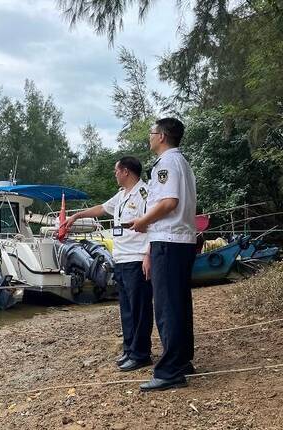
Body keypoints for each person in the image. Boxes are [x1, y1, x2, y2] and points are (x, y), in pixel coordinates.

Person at [66, 156, 152, 372]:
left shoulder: (145, 194)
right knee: (126, 308)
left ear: (126, 171)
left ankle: (142, 353)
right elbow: (101, 209)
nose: (115, 174)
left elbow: (156, 225)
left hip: (137, 258)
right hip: (121, 258)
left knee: (139, 308)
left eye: (116, 170)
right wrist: (76, 216)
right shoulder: (122, 195)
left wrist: (148, 255)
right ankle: (129, 349)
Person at [129, 117, 197, 392]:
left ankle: (170, 371)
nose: (149, 137)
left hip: (169, 240)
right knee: (179, 303)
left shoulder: (167, 163)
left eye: (151, 132)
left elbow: (169, 202)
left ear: (162, 136)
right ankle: (181, 360)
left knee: (168, 306)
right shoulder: (181, 162)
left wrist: (143, 221)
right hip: (180, 240)